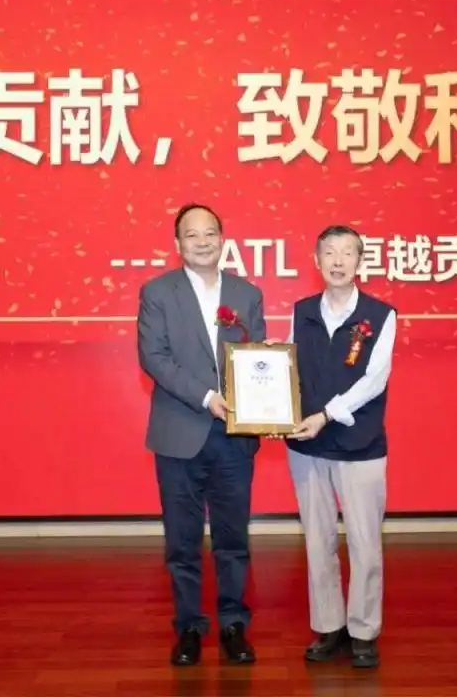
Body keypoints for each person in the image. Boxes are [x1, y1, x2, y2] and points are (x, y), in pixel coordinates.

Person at [136, 203, 267, 666]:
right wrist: (207, 396)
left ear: (222, 239)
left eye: (210, 233)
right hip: (179, 433)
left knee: (233, 539)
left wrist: (267, 396)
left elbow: (257, 358)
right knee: (182, 541)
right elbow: (154, 358)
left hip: (234, 435)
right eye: (192, 235)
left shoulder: (247, 293)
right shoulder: (157, 292)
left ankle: (234, 624)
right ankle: (189, 628)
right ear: (178, 244)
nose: (203, 241)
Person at [283, 225, 397, 669]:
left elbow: (374, 380)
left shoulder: (381, 315)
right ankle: (329, 625)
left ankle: (364, 629)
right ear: (316, 260)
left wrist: (326, 414)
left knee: (365, 543)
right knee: (318, 540)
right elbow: (289, 367)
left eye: (347, 253)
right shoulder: (301, 311)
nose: (337, 261)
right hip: (306, 445)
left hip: (359, 443)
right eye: (329, 252)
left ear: (359, 261)